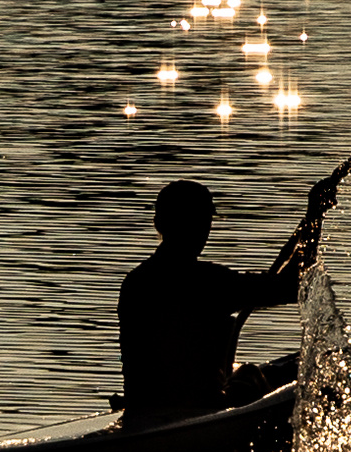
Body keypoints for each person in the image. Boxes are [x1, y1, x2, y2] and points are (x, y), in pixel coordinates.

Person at [117, 180, 300, 426]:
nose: (205, 229)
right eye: (202, 221)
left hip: (142, 407)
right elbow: (289, 287)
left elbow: (278, 286)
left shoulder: (135, 282)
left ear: (159, 224)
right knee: (250, 374)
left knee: (239, 370)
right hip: (200, 410)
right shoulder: (208, 282)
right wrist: (314, 223)